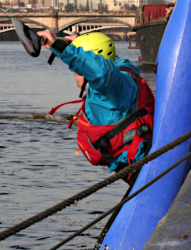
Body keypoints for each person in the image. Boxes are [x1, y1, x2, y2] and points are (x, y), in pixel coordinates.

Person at [37, 30, 155, 176]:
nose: (73, 71)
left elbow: (100, 70)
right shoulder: (118, 77)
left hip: (138, 166)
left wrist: (60, 46)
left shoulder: (110, 83)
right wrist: (81, 45)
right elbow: (104, 59)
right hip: (134, 162)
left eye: (78, 68)